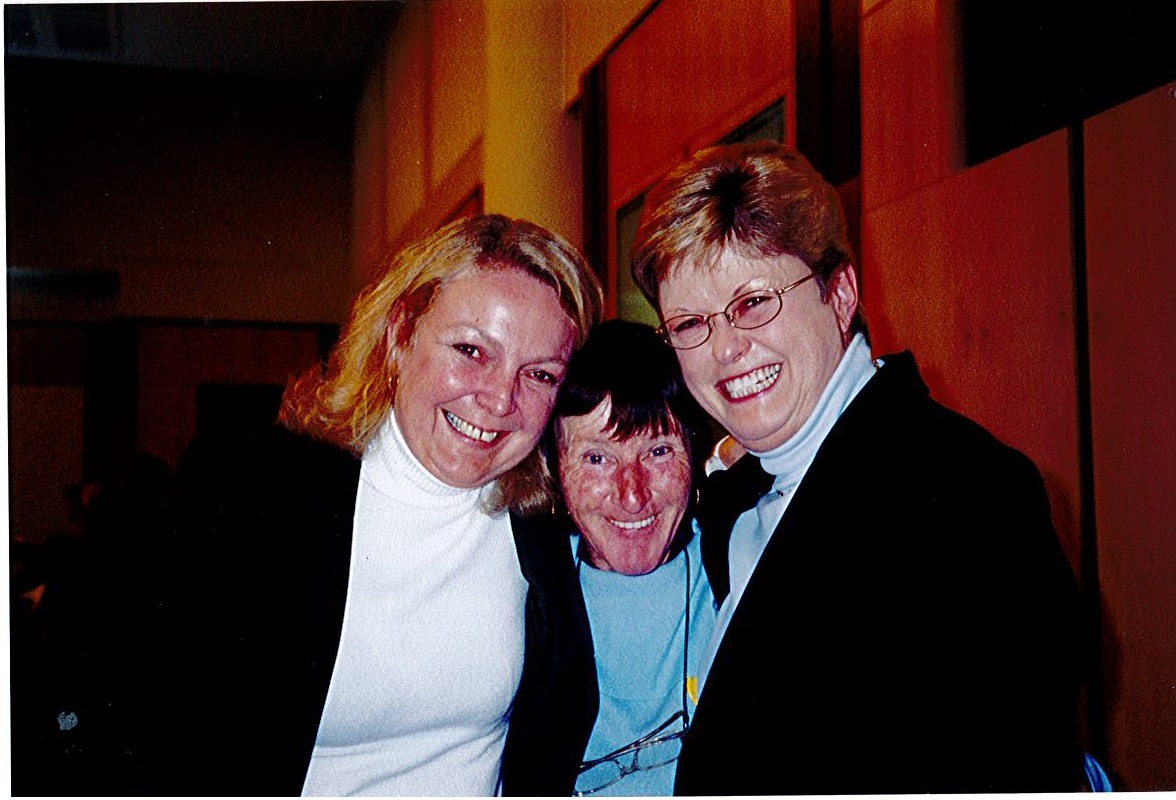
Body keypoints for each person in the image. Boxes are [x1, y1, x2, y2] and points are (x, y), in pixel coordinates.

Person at [630, 141, 1087, 794]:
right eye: (690, 323)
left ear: (839, 293)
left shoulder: (965, 496)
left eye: (753, 302)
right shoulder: (737, 500)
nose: (726, 348)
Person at [159, 213, 603, 795]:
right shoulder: (253, 498)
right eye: (471, 350)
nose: (500, 398)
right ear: (400, 334)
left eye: (540, 374)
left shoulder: (544, 521)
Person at [501, 320, 717, 796]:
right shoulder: (523, 594)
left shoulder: (735, 575)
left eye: (658, 451)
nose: (633, 496)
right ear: (554, 468)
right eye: (597, 459)